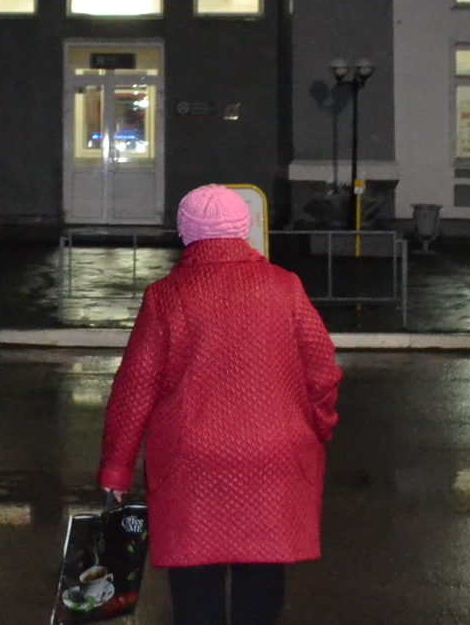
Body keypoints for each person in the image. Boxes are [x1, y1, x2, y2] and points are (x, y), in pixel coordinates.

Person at [97, 183, 343, 625]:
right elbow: (322, 369)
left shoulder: (167, 296)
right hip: (273, 456)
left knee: (196, 586)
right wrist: (317, 427)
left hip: (192, 465)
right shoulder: (284, 287)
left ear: (185, 233)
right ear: (243, 229)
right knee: (262, 580)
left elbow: (135, 389)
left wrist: (117, 468)